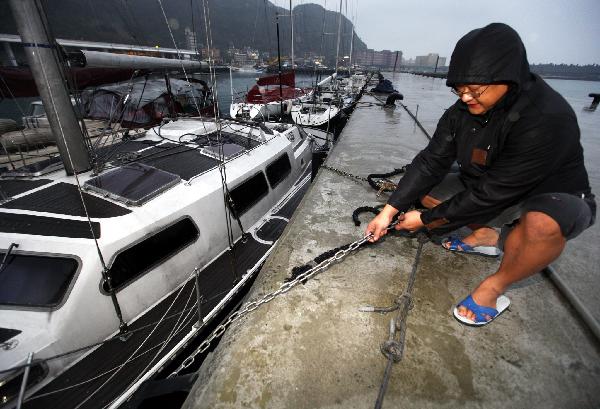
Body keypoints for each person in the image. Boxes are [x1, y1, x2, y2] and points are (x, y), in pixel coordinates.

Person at [365, 23, 596, 326]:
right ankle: (489, 234)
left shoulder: (546, 117)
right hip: (489, 186)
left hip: (548, 196)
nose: (464, 98)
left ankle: (494, 287)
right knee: (425, 191)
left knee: (541, 225)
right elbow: (430, 161)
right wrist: (389, 211)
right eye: (459, 90)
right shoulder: (462, 111)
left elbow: (491, 194)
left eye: (474, 90)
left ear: (508, 78)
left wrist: (424, 220)